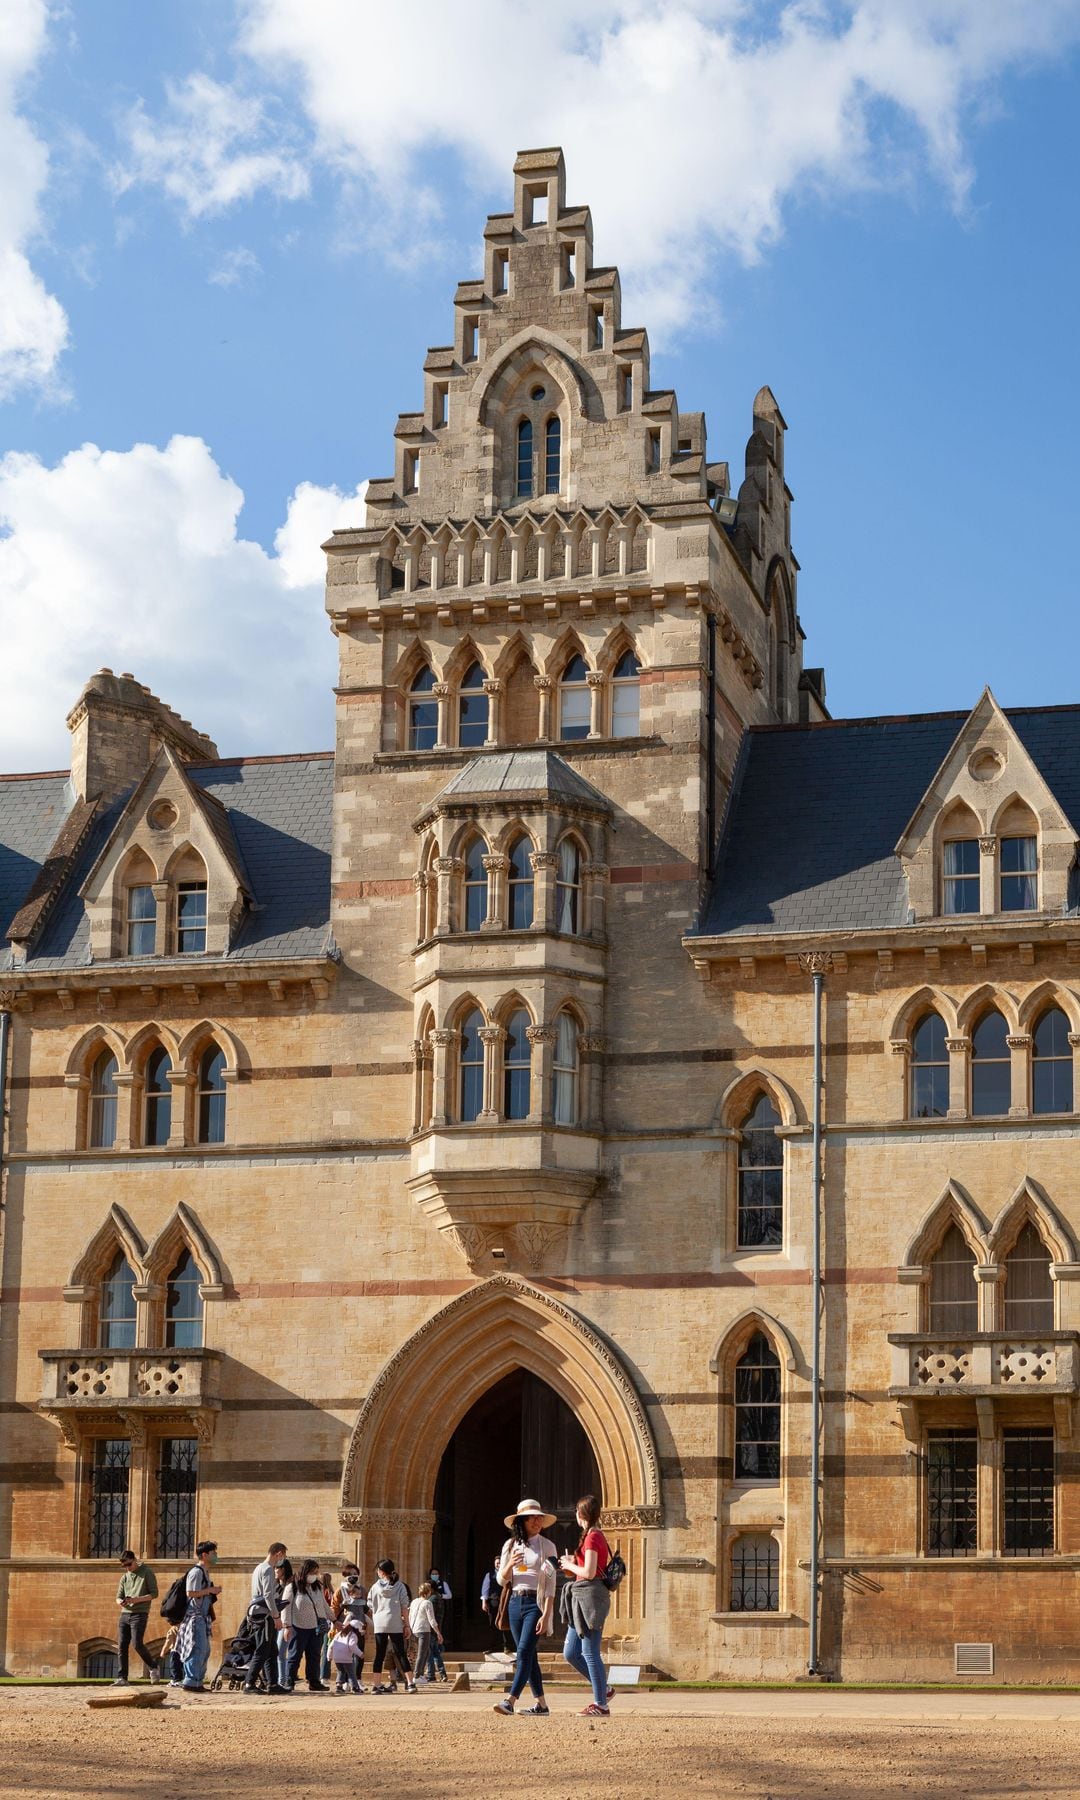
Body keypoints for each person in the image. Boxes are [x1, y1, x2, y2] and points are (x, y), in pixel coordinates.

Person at [492, 1498, 557, 1718]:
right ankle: (542, 1705)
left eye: (540, 1517)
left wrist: (547, 1614)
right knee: (530, 1656)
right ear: (522, 1520)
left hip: (534, 1603)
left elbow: (550, 1584)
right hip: (515, 1602)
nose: (538, 1521)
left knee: (523, 1653)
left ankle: (510, 1700)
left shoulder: (548, 1547)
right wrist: (509, 1563)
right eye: (533, 1517)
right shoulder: (510, 1546)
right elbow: (502, 1580)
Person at [559, 1493, 613, 1718]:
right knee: (571, 1652)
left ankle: (601, 1704)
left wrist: (569, 1564)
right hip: (579, 1597)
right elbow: (587, 1569)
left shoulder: (593, 1537)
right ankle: (605, 1690)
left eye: (576, 1511)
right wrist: (572, 1565)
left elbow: (590, 1573)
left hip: (591, 1598)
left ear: (582, 1514)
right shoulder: (590, 1535)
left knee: (590, 1652)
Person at [244, 1541, 289, 1695]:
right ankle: (249, 1683)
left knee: (271, 1650)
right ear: (278, 1553)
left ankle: (272, 1683)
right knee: (263, 1649)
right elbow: (268, 1595)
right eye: (283, 1555)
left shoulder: (259, 1568)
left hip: (259, 1612)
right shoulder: (268, 1569)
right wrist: (276, 1616)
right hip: (264, 1614)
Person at [280, 1558, 330, 1692]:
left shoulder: (317, 1587)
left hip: (315, 1627)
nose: (315, 1575)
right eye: (312, 1572)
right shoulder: (292, 1587)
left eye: (316, 1572)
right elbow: (285, 1607)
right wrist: (287, 1626)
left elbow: (324, 1605)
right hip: (298, 1626)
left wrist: (334, 1619)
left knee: (314, 1655)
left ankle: (314, 1681)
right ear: (305, 1571)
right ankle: (289, 1680)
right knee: (295, 1655)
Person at [178, 1540, 221, 1693]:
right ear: (205, 1555)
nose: (216, 1556)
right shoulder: (196, 1572)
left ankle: (197, 1681)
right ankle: (191, 1681)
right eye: (213, 1553)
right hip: (195, 1616)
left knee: (204, 1649)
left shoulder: (204, 1572)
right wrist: (210, 1590)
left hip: (202, 1616)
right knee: (197, 1648)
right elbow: (190, 1593)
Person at [113, 1549, 160, 1685]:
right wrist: (120, 1602)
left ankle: (153, 1665)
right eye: (124, 1566)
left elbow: (154, 1594)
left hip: (140, 1613)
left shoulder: (147, 1572)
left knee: (137, 1643)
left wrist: (136, 1600)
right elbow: (118, 1596)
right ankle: (122, 1677)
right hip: (124, 1613)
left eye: (129, 1564)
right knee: (121, 1646)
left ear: (134, 1559)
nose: (127, 1568)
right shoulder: (125, 1577)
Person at [369, 1558, 414, 1693]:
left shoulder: (374, 1587)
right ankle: (410, 1683)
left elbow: (370, 1605)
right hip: (394, 1623)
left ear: (381, 1572)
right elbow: (404, 1607)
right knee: (401, 1653)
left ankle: (376, 1684)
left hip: (379, 1624)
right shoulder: (400, 1586)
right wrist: (407, 1625)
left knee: (379, 1655)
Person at [331, 1564, 368, 1691]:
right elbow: (334, 1608)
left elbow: (366, 1608)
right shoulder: (340, 1591)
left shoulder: (362, 1590)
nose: (353, 1576)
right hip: (344, 1627)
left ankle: (357, 1679)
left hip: (359, 1626)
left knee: (359, 1652)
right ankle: (344, 1680)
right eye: (350, 1574)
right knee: (345, 1654)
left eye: (355, 1573)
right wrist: (334, 1625)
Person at [409, 1582, 443, 1687]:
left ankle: (420, 1674)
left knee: (426, 1652)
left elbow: (410, 1615)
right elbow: (431, 1619)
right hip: (423, 1629)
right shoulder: (428, 1603)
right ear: (428, 1592)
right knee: (422, 1653)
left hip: (414, 1629)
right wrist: (438, 1632)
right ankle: (417, 1675)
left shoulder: (414, 1601)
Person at [425, 1566, 450, 1682]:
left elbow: (430, 1615)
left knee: (430, 1652)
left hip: (431, 1629)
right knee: (436, 1653)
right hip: (437, 1628)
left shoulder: (432, 1600)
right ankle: (443, 1673)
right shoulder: (439, 1598)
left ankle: (430, 1674)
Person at [481, 1555, 509, 1652]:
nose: (498, 1564)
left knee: (505, 1623)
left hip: (505, 1602)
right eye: (497, 1563)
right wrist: (484, 1602)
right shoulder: (489, 1575)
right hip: (494, 1603)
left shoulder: (507, 1574)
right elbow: (485, 1589)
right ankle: (493, 1646)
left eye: (500, 1563)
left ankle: (507, 1646)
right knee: (493, 1624)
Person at [330, 1616, 365, 1693]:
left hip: (337, 1658)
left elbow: (331, 1645)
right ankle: (355, 1687)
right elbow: (352, 1645)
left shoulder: (339, 1634)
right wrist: (360, 1653)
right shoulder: (353, 1635)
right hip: (346, 1658)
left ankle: (339, 1686)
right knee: (351, 1672)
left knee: (341, 1672)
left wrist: (329, 1656)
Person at [274, 1559, 293, 1689]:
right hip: (275, 1621)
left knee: (281, 1651)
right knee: (275, 1652)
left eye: (278, 1568)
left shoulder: (290, 1586)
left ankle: (282, 1681)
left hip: (285, 1622)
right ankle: (278, 1679)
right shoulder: (275, 1585)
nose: (275, 1571)